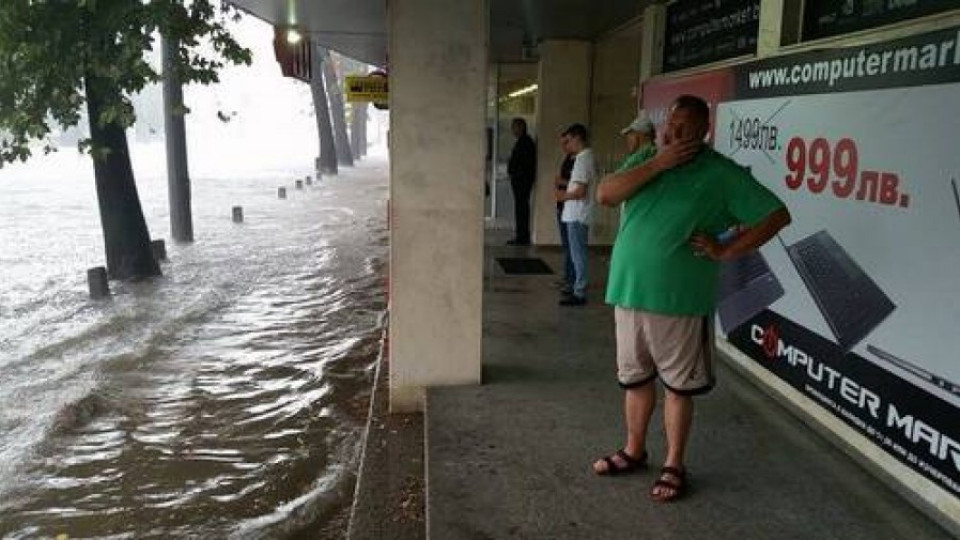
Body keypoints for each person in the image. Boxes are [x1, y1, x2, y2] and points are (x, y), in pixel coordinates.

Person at [593, 95, 792, 502]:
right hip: (629, 292)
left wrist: (727, 251)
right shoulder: (648, 157)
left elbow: (776, 215)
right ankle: (634, 450)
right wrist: (657, 163)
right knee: (634, 378)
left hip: (681, 300)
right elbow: (605, 195)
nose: (674, 132)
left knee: (679, 388)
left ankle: (674, 463)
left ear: (704, 130)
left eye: (685, 126)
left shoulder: (721, 173)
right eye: (671, 124)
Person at [554, 123, 596, 306]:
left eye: (569, 141)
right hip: (574, 214)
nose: (567, 145)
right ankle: (576, 286)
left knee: (577, 254)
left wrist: (563, 195)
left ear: (578, 138)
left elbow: (580, 191)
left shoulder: (583, 159)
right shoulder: (582, 158)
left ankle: (579, 291)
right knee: (574, 252)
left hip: (577, 214)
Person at [507, 118, 537, 246]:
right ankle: (521, 235)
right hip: (520, 180)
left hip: (522, 182)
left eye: (514, 127)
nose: (512, 130)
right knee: (520, 208)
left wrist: (517, 174)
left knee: (522, 208)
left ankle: (522, 237)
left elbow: (524, 164)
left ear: (521, 127)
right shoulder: (522, 142)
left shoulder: (525, 142)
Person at [555, 134, 576, 293]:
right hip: (562, 205)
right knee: (566, 245)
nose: (564, 146)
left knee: (572, 247)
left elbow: (580, 186)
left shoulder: (580, 160)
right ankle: (567, 277)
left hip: (572, 208)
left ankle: (573, 281)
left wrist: (562, 183)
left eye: (566, 143)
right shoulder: (568, 158)